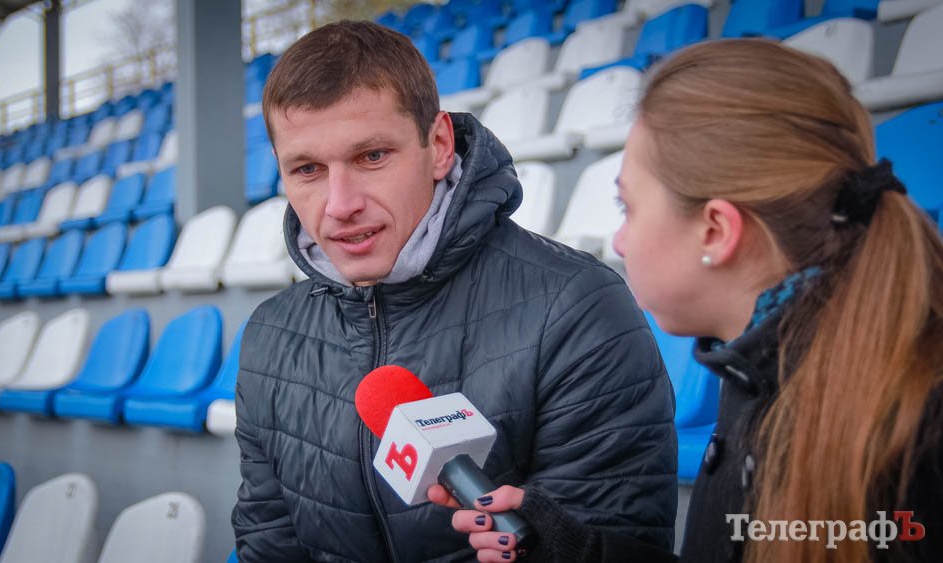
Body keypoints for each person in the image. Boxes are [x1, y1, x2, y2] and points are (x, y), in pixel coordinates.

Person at [430, 38, 943, 562]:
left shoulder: (916, 441)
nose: (620, 242)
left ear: (716, 231)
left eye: (626, 207)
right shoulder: (764, 370)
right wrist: (575, 550)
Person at [231, 21, 679, 562]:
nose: (341, 204)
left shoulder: (577, 308)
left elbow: (612, 544)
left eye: (372, 156)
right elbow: (267, 543)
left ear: (439, 145)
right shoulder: (269, 334)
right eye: (308, 169)